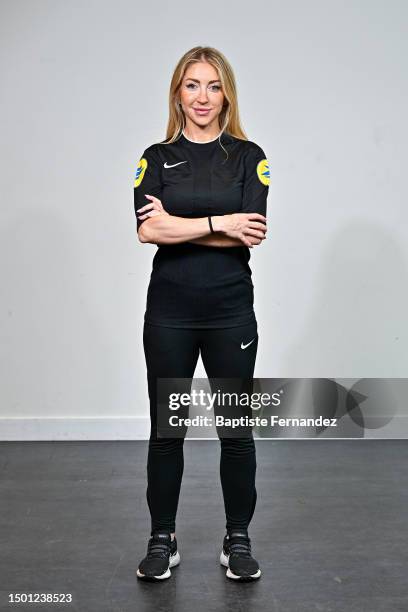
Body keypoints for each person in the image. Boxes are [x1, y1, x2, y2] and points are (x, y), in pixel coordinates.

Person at [133, 46, 270, 581]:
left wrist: (184, 224)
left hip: (230, 312)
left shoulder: (248, 155)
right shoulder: (155, 155)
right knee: (168, 430)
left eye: (213, 85)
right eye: (192, 85)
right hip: (169, 312)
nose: (202, 97)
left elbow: (252, 232)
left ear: (226, 93)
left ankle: (237, 539)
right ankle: (161, 539)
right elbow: (148, 230)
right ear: (178, 93)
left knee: (235, 430)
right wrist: (222, 222)